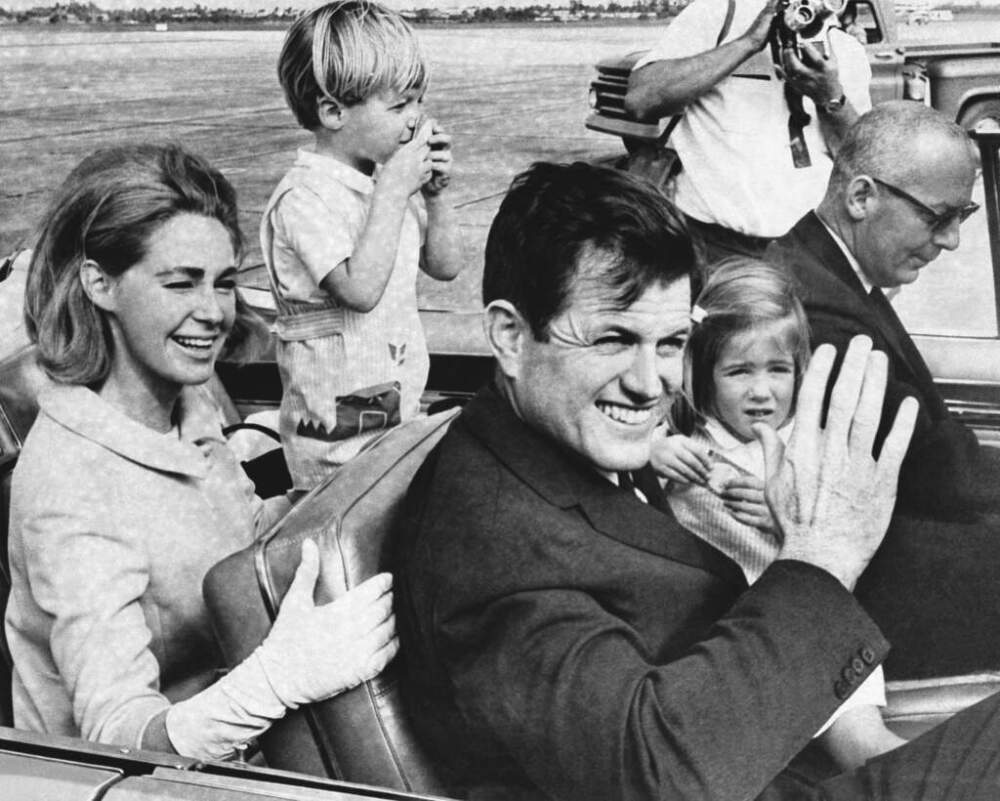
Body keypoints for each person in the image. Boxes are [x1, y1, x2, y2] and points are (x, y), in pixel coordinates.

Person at [5, 143, 399, 761]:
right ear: (99, 282)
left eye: (223, 283)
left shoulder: (183, 407)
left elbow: (233, 535)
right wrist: (276, 680)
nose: (213, 311)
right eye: (180, 282)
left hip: (240, 729)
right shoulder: (72, 488)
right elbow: (115, 734)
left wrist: (355, 490)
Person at [652, 258, 904, 771]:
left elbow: (843, 538)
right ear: (704, 374)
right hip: (728, 638)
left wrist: (784, 520)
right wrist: (655, 454)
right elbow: (637, 489)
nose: (762, 391)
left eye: (778, 370)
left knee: (863, 746)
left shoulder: (806, 451)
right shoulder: (691, 444)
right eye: (739, 371)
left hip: (815, 624)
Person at [262, 0, 464, 492]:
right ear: (332, 111)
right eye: (399, 106)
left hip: (394, 415)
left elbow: (446, 266)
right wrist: (395, 190)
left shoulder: (377, 188)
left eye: (417, 100)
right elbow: (360, 289)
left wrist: (437, 200)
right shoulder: (304, 198)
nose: (415, 118)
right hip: (335, 441)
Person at [766, 101, 984, 521]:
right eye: (939, 217)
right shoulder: (817, 314)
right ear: (861, 197)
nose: (953, 240)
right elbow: (936, 475)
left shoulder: (827, 269)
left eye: (964, 215)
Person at [624, 0, 871, 272]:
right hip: (711, 245)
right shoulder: (717, 13)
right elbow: (641, 99)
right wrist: (748, 43)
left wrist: (831, 98)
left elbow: (858, 162)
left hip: (807, 250)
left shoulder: (845, 50)